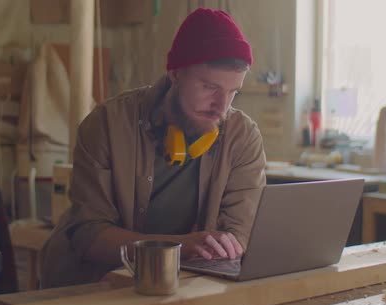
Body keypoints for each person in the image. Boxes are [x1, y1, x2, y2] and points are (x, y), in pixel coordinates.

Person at [41, 7, 267, 288]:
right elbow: (89, 235)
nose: (222, 107)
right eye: (210, 87)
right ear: (174, 73)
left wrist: (227, 245)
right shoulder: (107, 124)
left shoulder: (243, 137)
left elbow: (241, 233)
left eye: (233, 92)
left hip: (180, 288)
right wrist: (180, 247)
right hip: (93, 286)